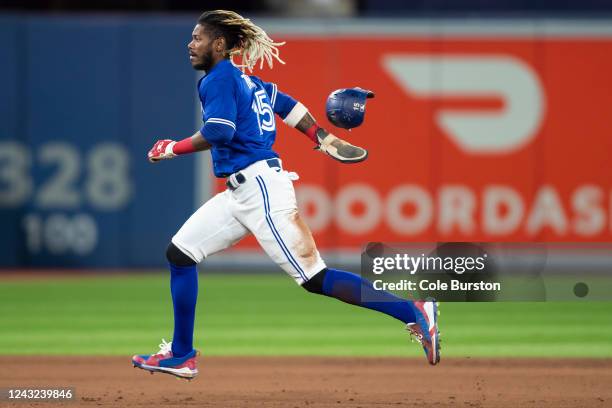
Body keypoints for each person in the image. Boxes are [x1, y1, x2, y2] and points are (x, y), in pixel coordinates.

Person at [132, 10, 439, 380]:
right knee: (180, 253)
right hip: (239, 193)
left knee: (315, 278)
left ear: (218, 44)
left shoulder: (218, 79)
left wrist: (171, 148)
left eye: (197, 38)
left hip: (259, 189)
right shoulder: (246, 79)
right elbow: (288, 107)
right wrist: (319, 135)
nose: (190, 44)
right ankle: (182, 355)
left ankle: (414, 312)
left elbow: (219, 132)